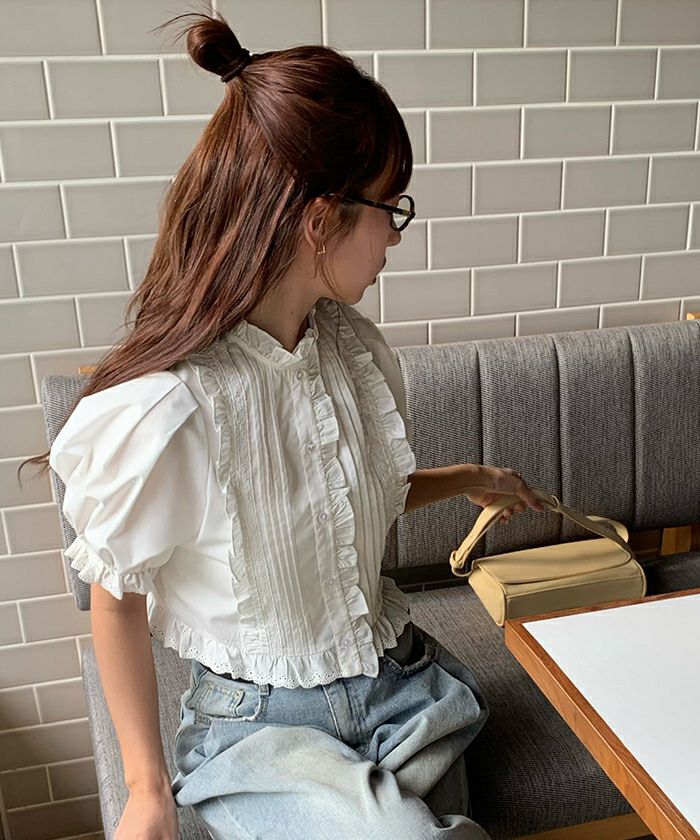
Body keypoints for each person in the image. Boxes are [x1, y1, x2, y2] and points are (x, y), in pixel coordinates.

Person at [30, 10, 545, 839]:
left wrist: (469, 480)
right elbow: (115, 598)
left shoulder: (352, 353)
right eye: (390, 207)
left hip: (400, 692)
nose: (394, 237)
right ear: (319, 219)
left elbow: (331, 506)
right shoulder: (175, 408)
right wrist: (147, 792)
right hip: (261, 733)